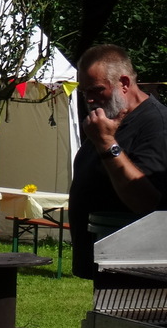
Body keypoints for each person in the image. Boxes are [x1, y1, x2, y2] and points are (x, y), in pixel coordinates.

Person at [68, 44, 167, 279]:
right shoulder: (108, 118)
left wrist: (106, 143)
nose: (90, 99)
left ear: (124, 83)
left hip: (137, 271)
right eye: (84, 92)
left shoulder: (156, 125)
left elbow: (147, 202)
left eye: (96, 90)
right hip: (107, 265)